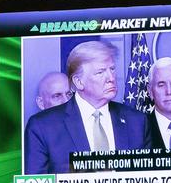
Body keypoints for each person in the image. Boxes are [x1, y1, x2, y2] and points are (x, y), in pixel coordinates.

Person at [24, 40, 151, 174]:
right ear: (78, 82)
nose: (111, 78)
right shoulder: (42, 127)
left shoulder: (137, 122)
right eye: (100, 72)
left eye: (112, 69)